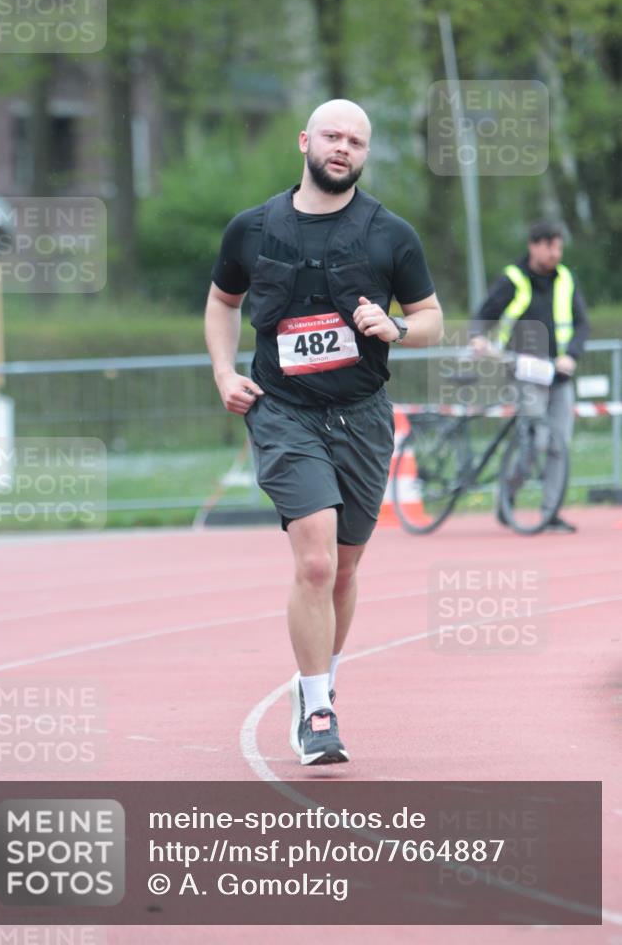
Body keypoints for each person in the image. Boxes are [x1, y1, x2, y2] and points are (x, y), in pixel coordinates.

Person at [205, 99, 443, 766]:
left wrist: (397, 328)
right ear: (304, 140)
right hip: (281, 411)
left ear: (365, 156)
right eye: (333, 136)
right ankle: (317, 708)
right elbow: (222, 302)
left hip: (362, 416)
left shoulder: (389, 234)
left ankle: (318, 681)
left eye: (357, 142)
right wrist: (224, 372)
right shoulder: (251, 229)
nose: (343, 148)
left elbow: (430, 317)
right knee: (312, 560)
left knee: (343, 567)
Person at [470, 221, 590, 533]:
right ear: (534, 246)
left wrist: (571, 355)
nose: (555, 253)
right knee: (534, 443)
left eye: (559, 247)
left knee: (559, 444)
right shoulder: (514, 278)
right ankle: (507, 498)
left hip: (559, 375)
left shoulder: (566, 279)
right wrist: (478, 337)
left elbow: (582, 324)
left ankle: (550, 513)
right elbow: (485, 313)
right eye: (550, 246)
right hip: (524, 372)